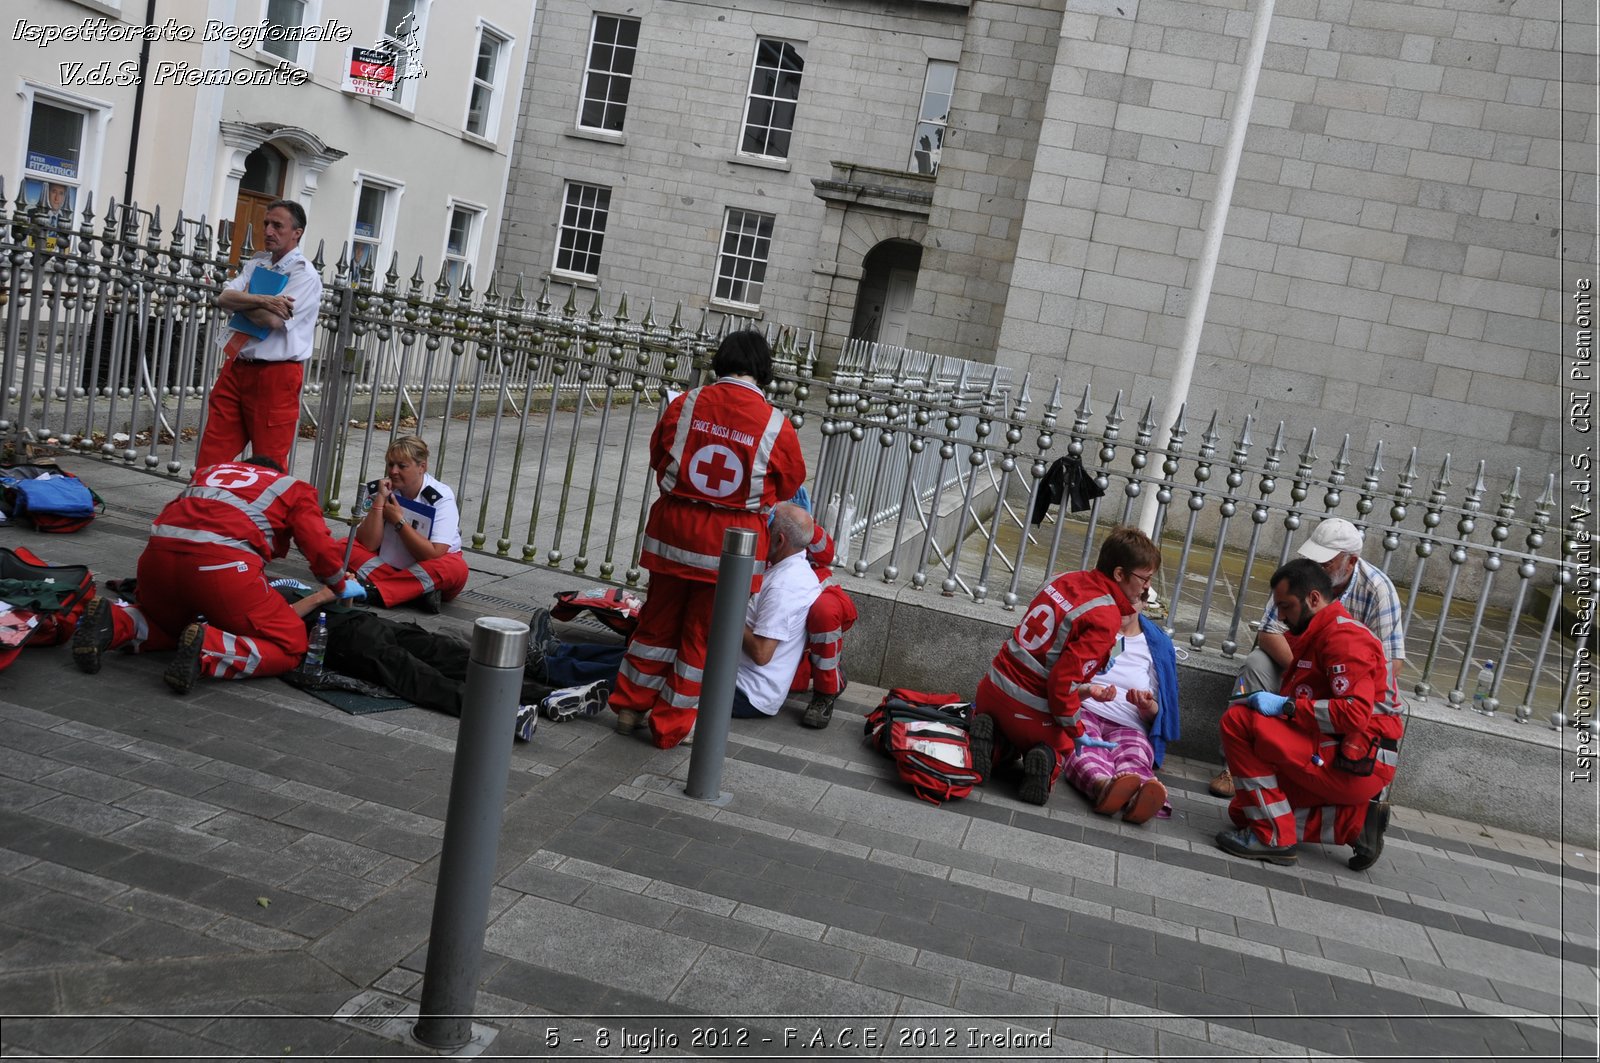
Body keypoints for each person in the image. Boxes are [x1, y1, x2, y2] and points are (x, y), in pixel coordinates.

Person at [610, 330, 806, 749]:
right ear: (763, 370)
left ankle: (629, 707)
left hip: (673, 535)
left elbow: (658, 459)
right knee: (701, 635)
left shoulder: (686, 404)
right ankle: (670, 725)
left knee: (656, 622)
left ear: (721, 361)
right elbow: (789, 481)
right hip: (730, 548)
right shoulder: (775, 424)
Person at [71, 456, 357, 692]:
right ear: (274, 473)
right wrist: (339, 583)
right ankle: (210, 649)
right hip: (222, 568)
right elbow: (318, 544)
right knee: (291, 644)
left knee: (169, 625)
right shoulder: (292, 487)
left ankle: (117, 621)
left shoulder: (208, 473)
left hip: (157, 560)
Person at [1213, 558, 1404, 870]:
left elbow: (1354, 714)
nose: (1282, 617)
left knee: (1237, 722)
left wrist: (1284, 707)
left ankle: (1274, 837)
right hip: (1342, 753)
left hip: (1358, 760)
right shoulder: (1317, 633)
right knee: (1242, 811)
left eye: (1286, 607)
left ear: (1314, 599)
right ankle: (1353, 823)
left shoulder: (1344, 638)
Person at [1209, 517, 1405, 798]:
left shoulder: (1377, 590)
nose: (1318, 568)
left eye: (1327, 563)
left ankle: (1355, 786)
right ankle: (1236, 767)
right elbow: (1269, 632)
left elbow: (1390, 663)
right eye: (1314, 559)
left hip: (1349, 692)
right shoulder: (1299, 578)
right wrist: (1302, 675)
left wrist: (1300, 698)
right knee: (1256, 662)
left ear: (1351, 562)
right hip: (1300, 671)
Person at [968, 525, 1162, 806]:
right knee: (1060, 746)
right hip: (1031, 708)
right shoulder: (1106, 615)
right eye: (1145, 579)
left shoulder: (1062, 577)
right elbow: (1062, 684)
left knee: (1009, 731)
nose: (1147, 587)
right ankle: (1044, 760)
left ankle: (992, 738)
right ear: (1120, 574)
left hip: (991, 688)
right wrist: (1074, 730)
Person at [274, 581, 569, 741]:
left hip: (363, 621)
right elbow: (278, 622)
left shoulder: (266, 580)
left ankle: (547, 697)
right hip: (338, 638)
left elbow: (334, 604)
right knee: (413, 672)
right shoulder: (248, 594)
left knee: (442, 651)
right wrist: (320, 596)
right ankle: (497, 714)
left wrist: (341, 593)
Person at [196, 199, 323, 471]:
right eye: (267, 223)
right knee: (211, 454)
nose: (268, 231)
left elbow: (272, 320)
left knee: (269, 462)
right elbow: (224, 298)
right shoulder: (257, 264)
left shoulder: (304, 274)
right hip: (238, 367)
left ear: (296, 233)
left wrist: (245, 302)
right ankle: (200, 509)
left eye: (277, 225)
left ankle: (263, 513)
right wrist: (264, 299)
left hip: (276, 376)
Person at [1057, 589, 1181, 825]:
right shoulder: (1096, 630)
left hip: (1129, 721)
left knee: (1135, 755)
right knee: (1082, 747)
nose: (1123, 608)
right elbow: (1066, 677)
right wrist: (1088, 690)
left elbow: (1159, 713)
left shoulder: (1155, 645)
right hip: (1087, 709)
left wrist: (1146, 706)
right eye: (1118, 601)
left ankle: (1142, 794)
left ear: (1144, 604)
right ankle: (1104, 786)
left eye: (1131, 602)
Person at [345, 435, 470, 613]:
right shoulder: (382, 488)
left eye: (402, 466)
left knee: (455, 568)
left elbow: (433, 553)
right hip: (390, 562)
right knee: (343, 546)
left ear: (422, 467)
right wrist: (380, 501)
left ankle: (377, 591)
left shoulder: (440, 497)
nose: (393, 471)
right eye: (390, 464)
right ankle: (415, 593)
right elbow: (369, 543)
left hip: (428, 564)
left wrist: (398, 521)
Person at [788, 515, 858, 729]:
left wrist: (803, 521)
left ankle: (825, 694)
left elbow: (826, 554)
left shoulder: (788, 509)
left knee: (824, 612)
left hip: (817, 592)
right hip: (773, 594)